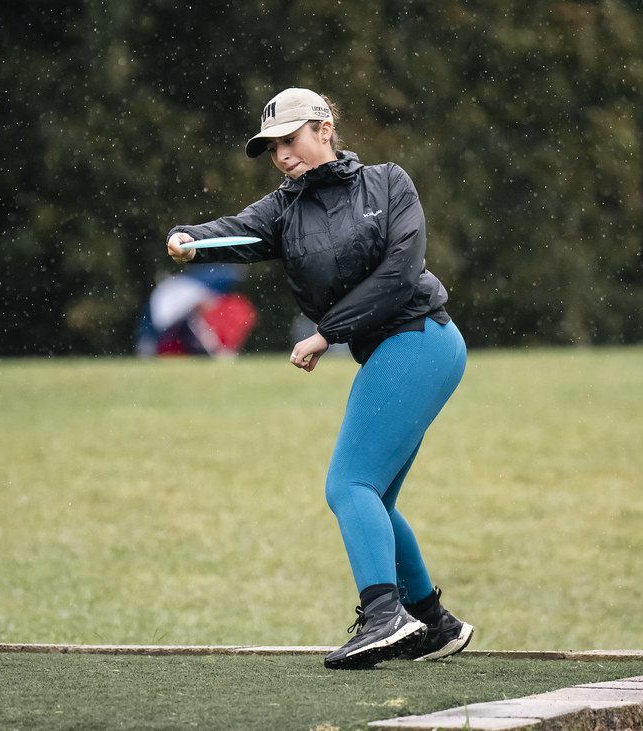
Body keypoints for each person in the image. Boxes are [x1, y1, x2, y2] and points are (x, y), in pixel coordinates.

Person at [165, 87, 473, 670]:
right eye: (272, 148)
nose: (282, 155)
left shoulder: (388, 182)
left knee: (347, 486)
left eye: (290, 140)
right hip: (399, 350)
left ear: (325, 128)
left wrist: (325, 332)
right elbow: (233, 231)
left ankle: (384, 614)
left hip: (423, 338)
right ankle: (432, 622)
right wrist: (188, 240)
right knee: (373, 495)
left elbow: (402, 273)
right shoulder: (284, 209)